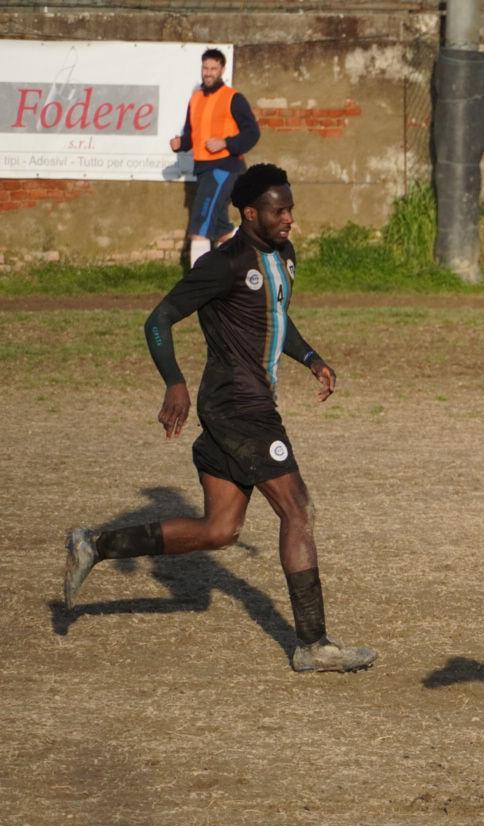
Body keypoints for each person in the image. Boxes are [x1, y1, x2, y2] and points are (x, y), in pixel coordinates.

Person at [62, 164, 375, 674]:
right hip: (238, 408)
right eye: (280, 210)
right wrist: (174, 381)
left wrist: (311, 357)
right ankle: (313, 645)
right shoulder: (223, 263)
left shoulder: (285, 257)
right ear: (250, 213)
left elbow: (273, 315)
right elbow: (158, 320)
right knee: (298, 511)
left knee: (220, 530)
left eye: (291, 208)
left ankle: (94, 544)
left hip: (246, 405)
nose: (290, 218)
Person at [168, 48, 260, 268]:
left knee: (200, 225)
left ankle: (198, 285)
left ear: (222, 70)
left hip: (225, 169)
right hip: (203, 169)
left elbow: (252, 133)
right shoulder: (196, 99)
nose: (208, 73)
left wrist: (226, 143)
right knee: (220, 228)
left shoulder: (233, 98)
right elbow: (192, 136)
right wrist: (181, 144)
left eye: (213, 68)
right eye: (205, 68)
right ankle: (250, 263)